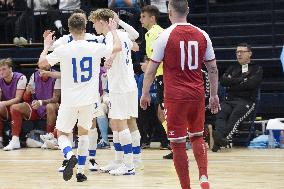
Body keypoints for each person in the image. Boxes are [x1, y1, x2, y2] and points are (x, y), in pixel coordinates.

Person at [140, 0, 220, 189]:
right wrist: (214, 95)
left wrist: (144, 93)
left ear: (169, 12)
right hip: (197, 94)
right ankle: (203, 176)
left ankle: (186, 186)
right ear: (188, 11)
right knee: (197, 136)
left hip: (175, 96)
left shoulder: (164, 36)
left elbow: (151, 70)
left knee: (177, 144)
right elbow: (213, 69)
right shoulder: (203, 34)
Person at [37, 13, 122, 182]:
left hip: (69, 100)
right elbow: (117, 47)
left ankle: (69, 155)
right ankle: (81, 171)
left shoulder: (63, 49)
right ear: (85, 28)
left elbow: (42, 64)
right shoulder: (94, 47)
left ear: (69, 29)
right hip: (89, 99)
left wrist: (46, 46)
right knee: (84, 134)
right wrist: (113, 31)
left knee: (61, 133)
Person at [89, 8, 142, 176]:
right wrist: (119, 22)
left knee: (119, 124)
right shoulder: (122, 34)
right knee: (128, 122)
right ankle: (131, 160)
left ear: (103, 22)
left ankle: (128, 165)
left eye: (94, 22)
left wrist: (110, 57)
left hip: (120, 85)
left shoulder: (112, 36)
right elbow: (136, 38)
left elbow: (117, 47)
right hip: (129, 84)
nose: (93, 25)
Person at [212, 43, 263, 152]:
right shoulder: (232, 68)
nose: (239, 54)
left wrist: (232, 83)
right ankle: (220, 138)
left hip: (246, 101)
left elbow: (251, 84)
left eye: (242, 52)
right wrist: (241, 80)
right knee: (220, 112)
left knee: (235, 116)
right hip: (230, 100)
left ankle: (222, 139)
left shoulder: (256, 68)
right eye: (237, 52)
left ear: (249, 53)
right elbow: (223, 81)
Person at [3, 68, 60, 151]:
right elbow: (26, 99)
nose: (41, 70)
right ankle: (15, 140)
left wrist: (41, 102)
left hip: (50, 105)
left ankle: (49, 139)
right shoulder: (34, 76)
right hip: (36, 106)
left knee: (50, 106)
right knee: (15, 107)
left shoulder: (56, 76)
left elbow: (56, 99)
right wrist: (27, 92)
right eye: (40, 66)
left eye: (44, 67)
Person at [140, 4, 170, 155]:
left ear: (153, 18)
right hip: (164, 76)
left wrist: (147, 66)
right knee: (162, 113)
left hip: (164, 76)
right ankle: (175, 143)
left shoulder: (153, 33)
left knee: (164, 113)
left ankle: (177, 142)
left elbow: (155, 60)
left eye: (144, 16)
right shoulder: (157, 32)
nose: (141, 19)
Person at [0, 58, 27, 149]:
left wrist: (2, 103)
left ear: (10, 69)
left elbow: (18, 99)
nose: (1, 72)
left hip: (20, 107)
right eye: (0, 70)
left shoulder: (21, 77)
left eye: (4, 69)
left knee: (14, 106)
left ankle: (15, 140)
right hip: (6, 107)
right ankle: (0, 139)